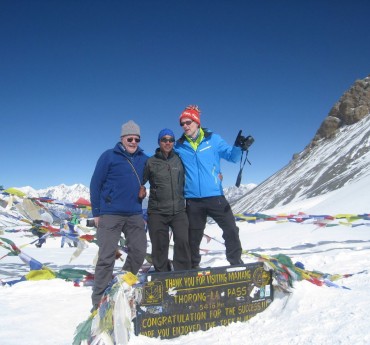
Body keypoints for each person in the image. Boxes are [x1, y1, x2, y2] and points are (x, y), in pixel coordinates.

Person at [174, 105, 244, 268]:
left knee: (231, 230)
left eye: (188, 122)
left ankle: (235, 262)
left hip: (215, 196)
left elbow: (232, 157)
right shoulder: (179, 145)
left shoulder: (213, 140)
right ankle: (193, 267)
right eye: (182, 123)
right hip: (193, 200)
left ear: (197, 122)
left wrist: (238, 147)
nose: (185, 126)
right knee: (193, 237)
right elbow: (164, 158)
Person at [90, 120, 148, 311]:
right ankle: (99, 303)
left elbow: (160, 168)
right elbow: (95, 184)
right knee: (106, 258)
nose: (133, 142)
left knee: (139, 252)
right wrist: (97, 212)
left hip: (134, 214)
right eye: (129, 138)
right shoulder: (109, 156)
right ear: (122, 138)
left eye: (136, 139)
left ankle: (121, 285)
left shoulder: (143, 158)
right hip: (110, 214)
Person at [143, 128, 191, 272]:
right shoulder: (151, 162)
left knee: (182, 241)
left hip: (178, 210)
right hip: (157, 211)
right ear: (159, 142)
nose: (168, 142)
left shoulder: (180, 160)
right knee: (159, 245)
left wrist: (217, 173)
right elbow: (138, 180)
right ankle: (162, 274)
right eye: (164, 139)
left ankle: (182, 273)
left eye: (171, 140)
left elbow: (197, 170)